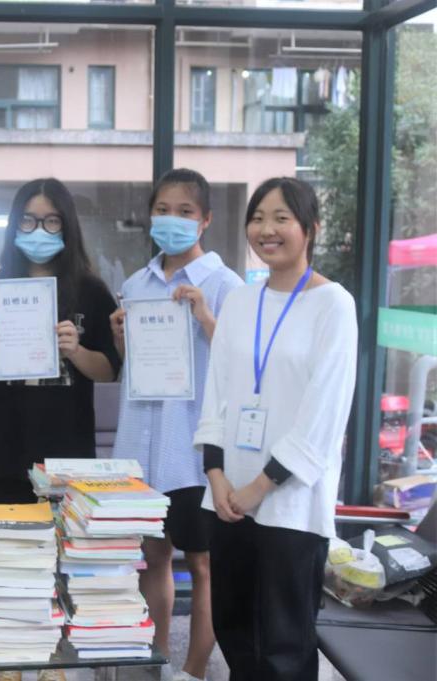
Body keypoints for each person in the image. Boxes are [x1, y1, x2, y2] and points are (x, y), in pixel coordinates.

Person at [195, 177, 357, 680]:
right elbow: (217, 391)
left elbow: (323, 415)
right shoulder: (241, 301)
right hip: (228, 498)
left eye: (281, 218)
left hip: (290, 505)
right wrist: (217, 476)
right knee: (234, 630)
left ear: (311, 228)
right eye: (258, 218)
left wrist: (259, 488)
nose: (267, 229)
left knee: (283, 646)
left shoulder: (334, 305)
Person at [109, 169, 242, 681]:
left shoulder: (225, 285)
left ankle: (194, 670)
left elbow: (242, 365)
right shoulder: (135, 285)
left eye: (185, 211)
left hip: (193, 450)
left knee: (204, 564)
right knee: (153, 555)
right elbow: (136, 371)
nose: (172, 220)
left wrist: (206, 316)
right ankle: (158, 658)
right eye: (162, 210)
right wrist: (121, 340)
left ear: (205, 220)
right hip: (142, 446)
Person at [0, 177, 121, 505]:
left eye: (51, 221)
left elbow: (109, 370)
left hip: (68, 453)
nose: (39, 230)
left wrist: (76, 351)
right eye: (28, 220)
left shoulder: (91, 291)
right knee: (6, 537)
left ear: (67, 226)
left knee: (66, 538)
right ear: (15, 225)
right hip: (2, 451)